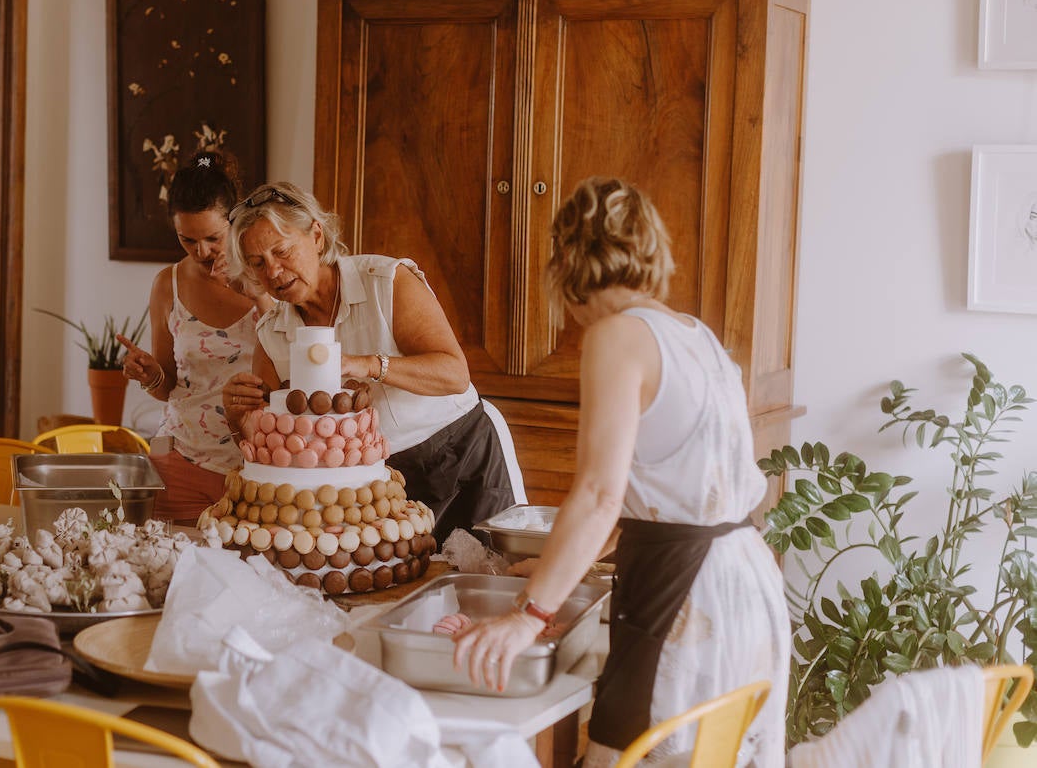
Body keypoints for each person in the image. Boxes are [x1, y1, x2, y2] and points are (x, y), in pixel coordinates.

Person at [451, 177, 788, 767]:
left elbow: (600, 493)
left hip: (680, 591)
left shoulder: (616, 336)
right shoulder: (698, 338)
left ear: (566, 262)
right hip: (747, 586)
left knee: (625, 756)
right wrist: (552, 569)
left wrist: (529, 614)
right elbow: (654, 493)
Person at [220, 181, 516, 541]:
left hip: (463, 457)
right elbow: (278, 450)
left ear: (316, 236)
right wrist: (239, 418)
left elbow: (454, 374)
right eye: (257, 263)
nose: (273, 272)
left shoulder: (386, 283)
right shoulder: (271, 335)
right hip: (372, 492)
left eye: (282, 251)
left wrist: (369, 365)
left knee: (489, 577)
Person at [116, 153, 272, 525]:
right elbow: (167, 386)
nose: (201, 252)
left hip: (254, 470)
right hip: (178, 464)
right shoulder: (166, 284)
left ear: (234, 222)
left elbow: (293, 365)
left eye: (212, 238)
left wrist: (258, 294)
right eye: (187, 240)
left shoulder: (271, 275)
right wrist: (150, 373)